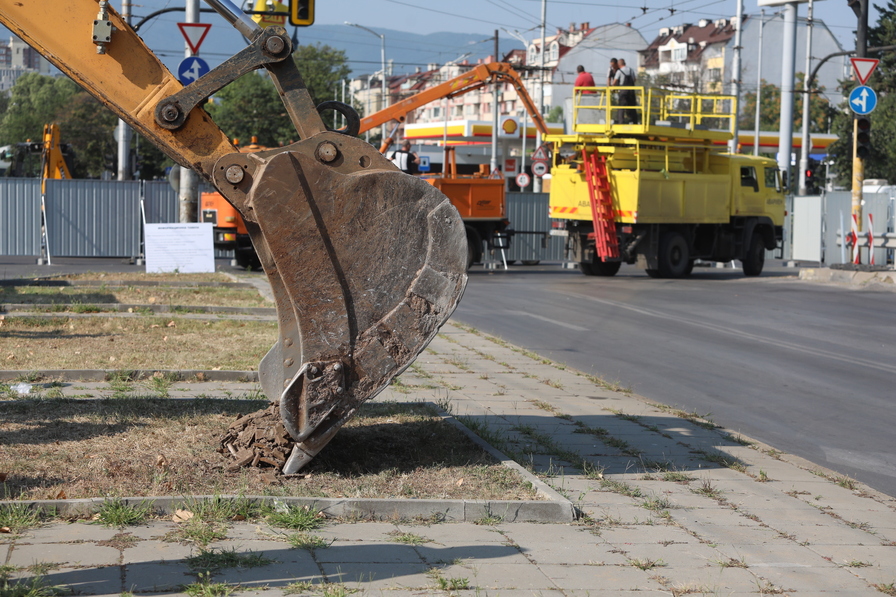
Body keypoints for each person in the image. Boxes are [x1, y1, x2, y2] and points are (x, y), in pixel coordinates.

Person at [612, 58, 638, 124]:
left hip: (623, 91)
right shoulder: (631, 70)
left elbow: (615, 82)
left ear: (618, 64)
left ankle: (621, 122)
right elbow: (634, 79)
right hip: (631, 91)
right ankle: (634, 121)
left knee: (621, 107)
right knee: (632, 107)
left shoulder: (619, 71)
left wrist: (612, 89)